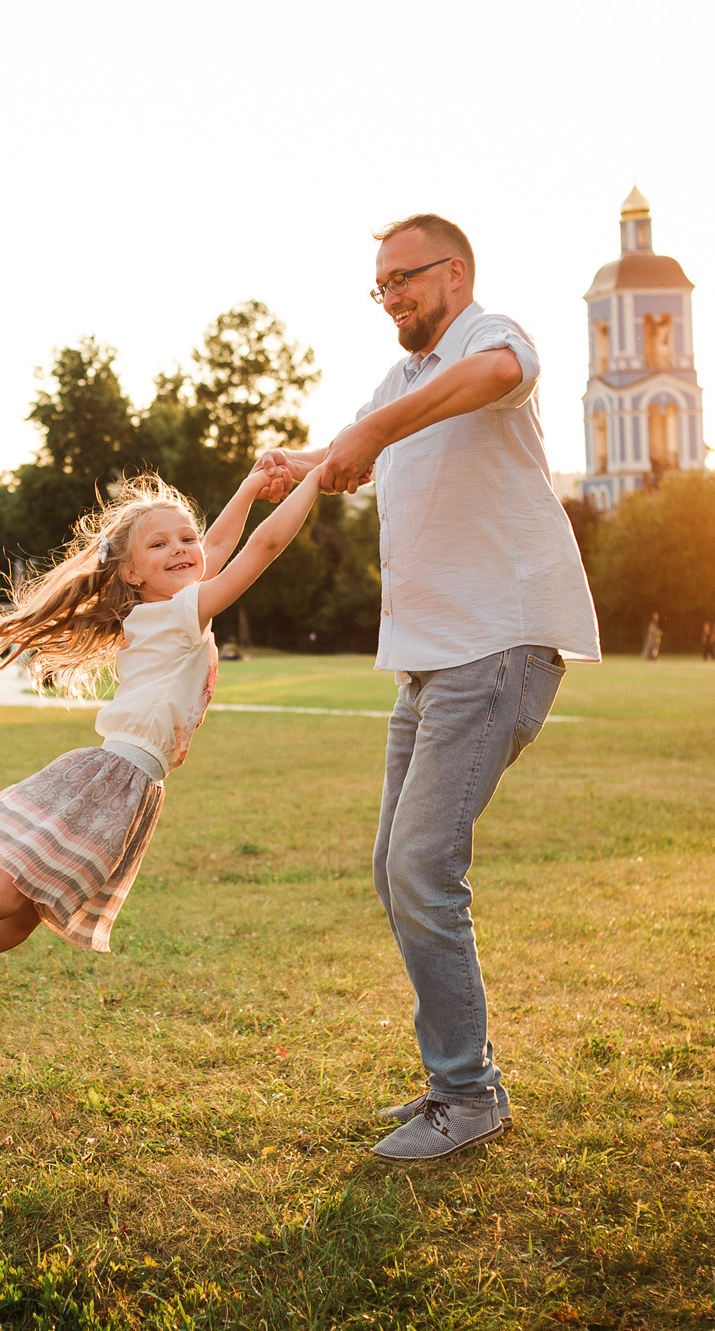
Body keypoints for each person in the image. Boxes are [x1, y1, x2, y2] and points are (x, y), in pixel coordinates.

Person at [0, 467, 319, 1092]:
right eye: (160, 544)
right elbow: (261, 548)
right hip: (110, 780)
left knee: (14, 920)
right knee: (1, 895)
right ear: (131, 572)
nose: (183, 548)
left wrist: (250, 488)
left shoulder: (175, 605)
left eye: (187, 538)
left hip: (129, 789)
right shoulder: (173, 615)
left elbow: (221, 547)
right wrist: (318, 473)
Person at [257, 212, 599, 1160]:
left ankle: (468, 1094)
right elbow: (354, 456)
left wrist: (368, 428)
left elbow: (489, 383)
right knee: (393, 869)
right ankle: (454, 1077)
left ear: (454, 272)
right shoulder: (398, 382)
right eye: (380, 285)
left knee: (420, 867)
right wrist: (309, 462)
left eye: (403, 278)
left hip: (497, 648)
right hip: (429, 661)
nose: (391, 297)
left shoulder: (495, 338)